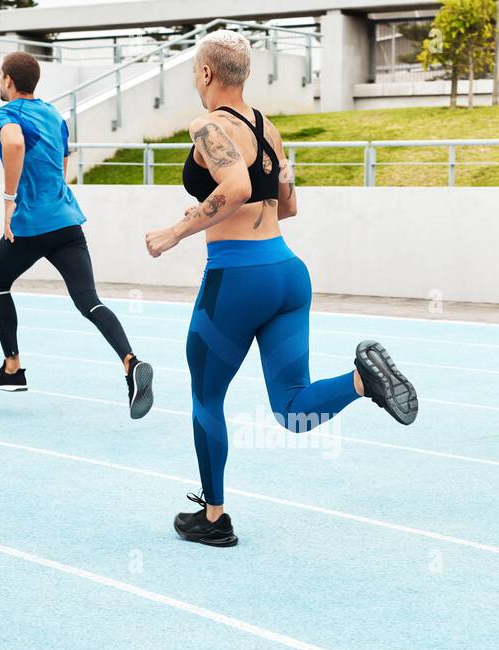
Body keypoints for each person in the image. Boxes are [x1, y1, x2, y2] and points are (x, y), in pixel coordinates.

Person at [144, 30, 418, 547]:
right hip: (288, 273)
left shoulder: (208, 125)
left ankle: (214, 517)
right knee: (293, 408)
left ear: (205, 73)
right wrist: (215, 208)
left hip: (237, 277)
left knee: (206, 396)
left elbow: (238, 188)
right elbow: (287, 204)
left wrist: (176, 232)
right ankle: (363, 381)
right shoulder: (269, 129)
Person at [0, 52, 153, 418]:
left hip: (29, 225)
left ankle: (12, 369)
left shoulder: (4, 114)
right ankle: (130, 362)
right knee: (89, 300)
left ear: (8, 80)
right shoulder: (54, 116)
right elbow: (54, 165)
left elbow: (15, 145)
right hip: (66, 222)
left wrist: (9, 200)